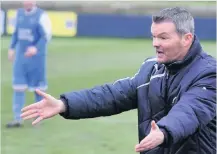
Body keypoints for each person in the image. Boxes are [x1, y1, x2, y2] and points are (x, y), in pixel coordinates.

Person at [21, 7, 216, 154]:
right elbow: (112, 95)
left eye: (163, 37)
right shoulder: (151, 69)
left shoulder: (209, 73)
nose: (155, 43)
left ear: (186, 38)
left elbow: (190, 111)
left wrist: (164, 131)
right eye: (154, 37)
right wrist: (65, 104)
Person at [7, 1, 52, 128]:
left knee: (38, 90)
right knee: (18, 87)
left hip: (36, 60)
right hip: (21, 58)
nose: (27, 2)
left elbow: (46, 36)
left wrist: (35, 48)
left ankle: (38, 117)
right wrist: (11, 48)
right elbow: (16, 33)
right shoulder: (19, 14)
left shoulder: (41, 16)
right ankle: (17, 119)